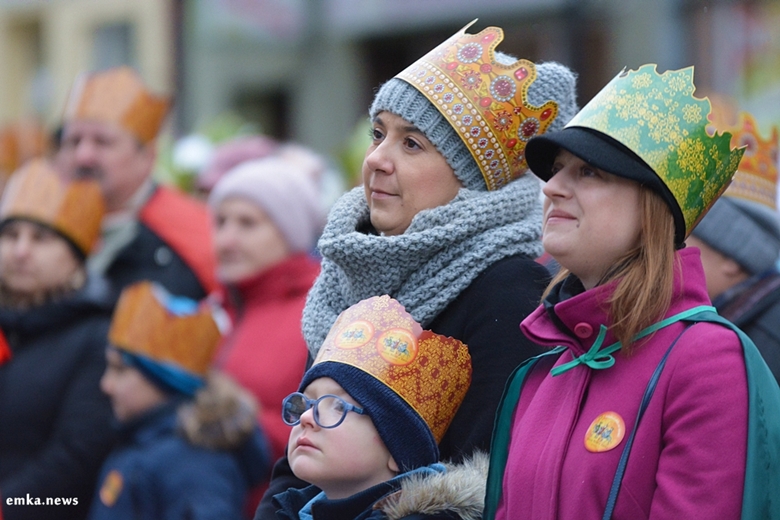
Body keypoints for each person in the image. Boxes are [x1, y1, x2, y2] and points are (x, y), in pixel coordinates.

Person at [255, 21, 579, 518]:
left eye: (412, 145)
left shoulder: (509, 290)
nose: (378, 160)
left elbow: (480, 476)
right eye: (379, 133)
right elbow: (296, 459)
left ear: (470, 180)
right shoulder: (351, 275)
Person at [483, 64, 780, 519]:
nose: (552, 187)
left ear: (652, 209)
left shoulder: (708, 360)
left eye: (588, 173)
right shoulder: (538, 375)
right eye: (557, 170)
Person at [273, 295, 485, 519]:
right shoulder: (291, 512)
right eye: (306, 403)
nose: (307, 417)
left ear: (397, 451)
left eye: (337, 406)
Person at [88, 281, 271, 520]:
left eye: (120, 370)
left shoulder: (194, 467)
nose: (106, 385)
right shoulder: (140, 441)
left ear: (163, 380)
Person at [0, 159, 116, 520]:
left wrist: (7, 508)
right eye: (10, 235)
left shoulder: (98, 335)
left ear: (76, 256)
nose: (21, 251)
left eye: (41, 238)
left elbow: (76, 459)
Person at [55, 66, 217, 300]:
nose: (83, 156)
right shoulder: (37, 229)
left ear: (147, 158)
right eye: (73, 141)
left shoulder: (197, 233)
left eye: (102, 142)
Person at [207, 156, 324, 473]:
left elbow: (331, 430)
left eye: (247, 223)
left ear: (291, 233)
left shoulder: (320, 312)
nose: (226, 240)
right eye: (220, 222)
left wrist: (240, 421)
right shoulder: (211, 308)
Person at [686, 112, 780, 382]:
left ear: (733, 257)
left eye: (680, 241)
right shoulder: (729, 319)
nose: (662, 253)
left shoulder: (764, 343)